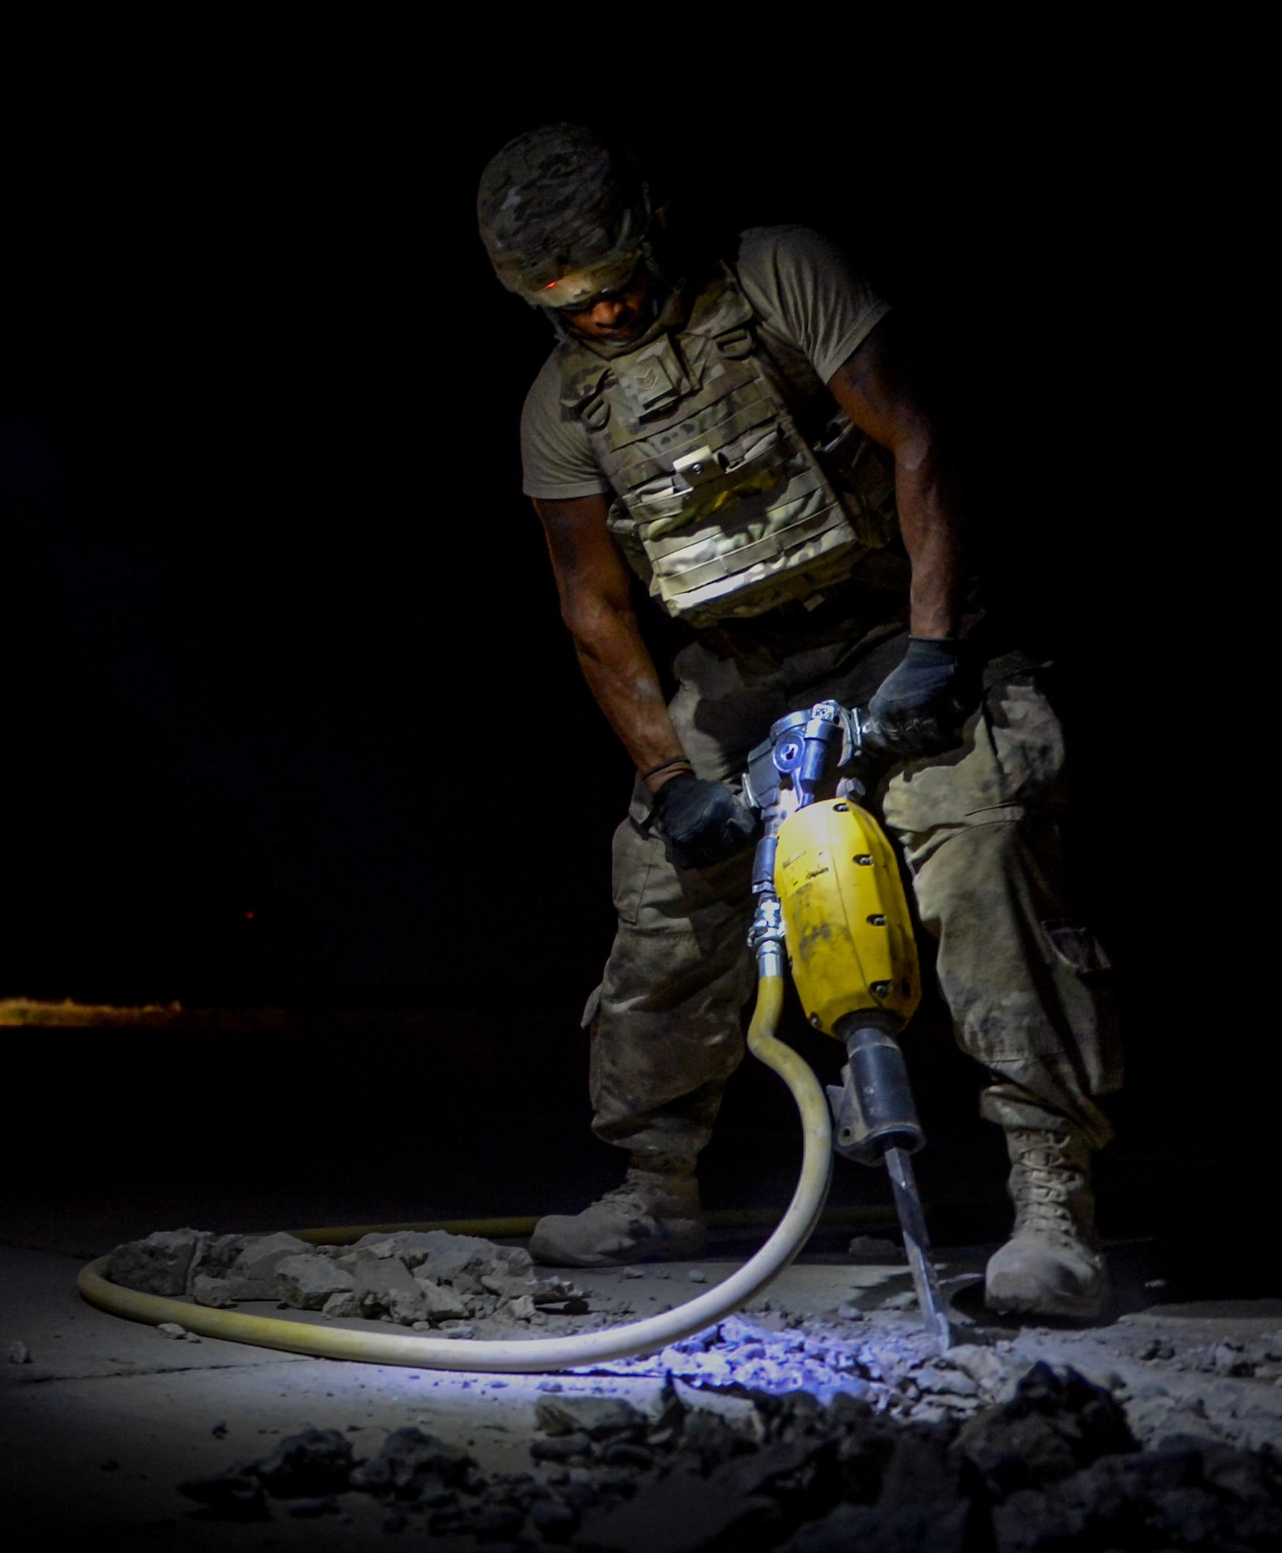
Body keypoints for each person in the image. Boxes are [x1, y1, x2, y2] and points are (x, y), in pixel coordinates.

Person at [474, 124, 1121, 1317]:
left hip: (888, 620)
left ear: (653, 229)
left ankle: (1050, 1199)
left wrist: (931, 649)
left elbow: (919, 435)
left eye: (615, 290)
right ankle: (656, 1180)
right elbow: (592, 603)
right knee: (663, 893)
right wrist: (672, 779)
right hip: (735, 667)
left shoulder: (777, 273)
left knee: (976, 847)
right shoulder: (558, 403)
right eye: (570, 306)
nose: (603, 318)